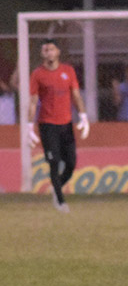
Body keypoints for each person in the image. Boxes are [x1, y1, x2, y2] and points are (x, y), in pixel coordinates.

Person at [28, 38, 90, 213]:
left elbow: (76, 95)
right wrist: (28, 126)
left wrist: (84, 117)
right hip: (48, 125)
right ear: (42, 54)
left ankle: (57, 189)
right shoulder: (38, 74)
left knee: (71, 163)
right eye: (45, 50)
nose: (49, 53)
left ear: (58, 52)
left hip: (66, 124)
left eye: (51, 49)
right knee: (53, 162)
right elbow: (33, 101)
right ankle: (61, 201)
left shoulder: (68, 71)